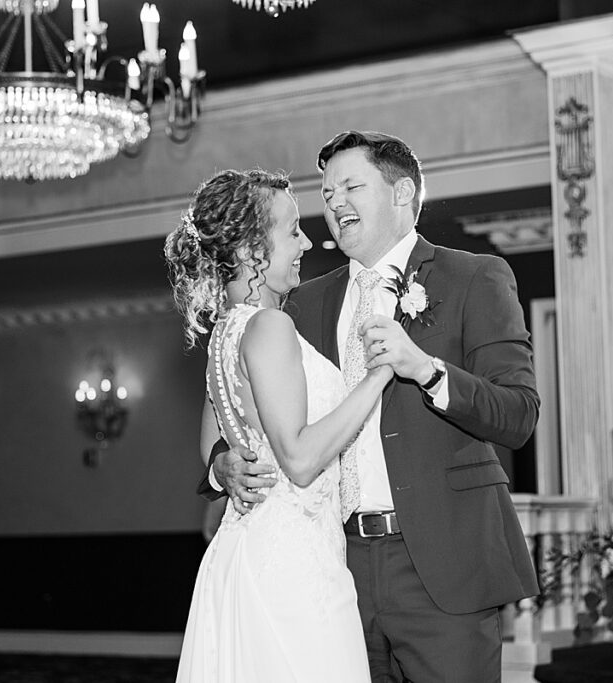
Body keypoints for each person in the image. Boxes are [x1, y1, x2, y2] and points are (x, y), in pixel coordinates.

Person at [205, 131, 541, 682]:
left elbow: (518, 413)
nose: (333, 202)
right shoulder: (302, 303)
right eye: (326, 191)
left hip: (441, 563)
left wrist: (428, 371)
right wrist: (221, 464)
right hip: (334, 565)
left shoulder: (475, 277)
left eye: (350, 186)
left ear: (403, 193)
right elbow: (242, 402)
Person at [165, 169, 393, 682]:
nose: (308, 241)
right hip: (292, 568)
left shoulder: (226, 329)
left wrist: (225, 467)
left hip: (247, 551)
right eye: (292, 230)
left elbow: (210, 445)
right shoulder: (269, 325)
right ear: (251, 251)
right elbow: (300, 459)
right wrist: (379, 375)